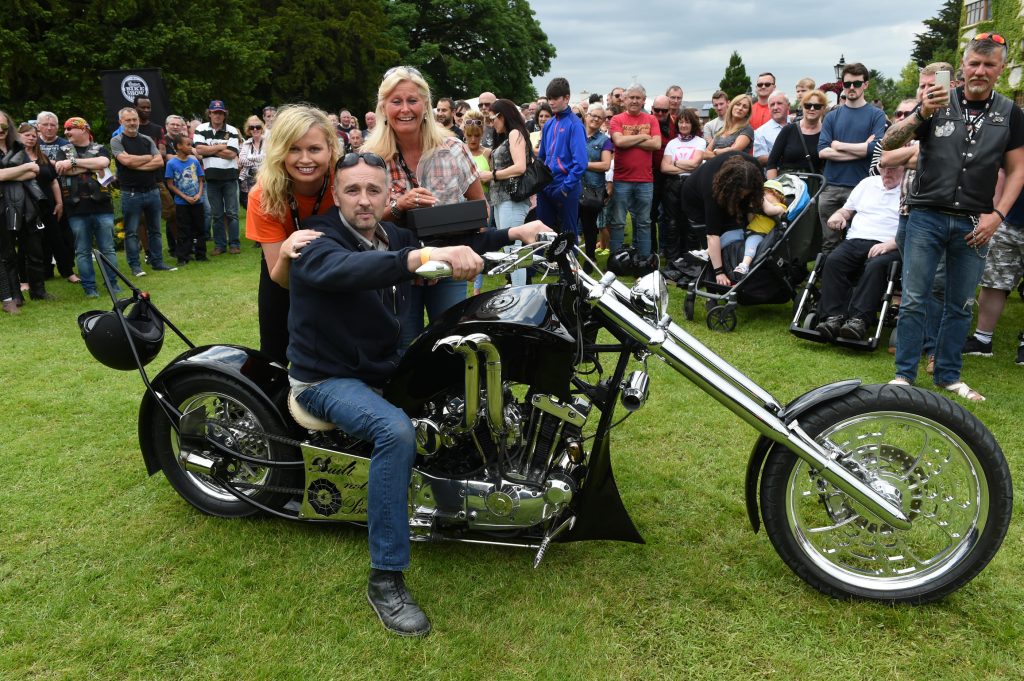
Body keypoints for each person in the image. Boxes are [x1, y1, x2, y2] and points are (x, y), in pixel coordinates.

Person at [288, 153, 551, 636]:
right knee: (394, 433)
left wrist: (514, 233)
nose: (364, 200)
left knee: (472, 369)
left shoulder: (397, 235)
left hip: (383, 366)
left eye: (373, 190)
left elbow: (458, 243)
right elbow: (348, 270)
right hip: (326, 379)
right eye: (352, 190)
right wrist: (421, 260)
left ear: (389, 193)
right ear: (337, 195)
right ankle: (385, 577)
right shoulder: (316, 239)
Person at [883, 32, 1024, 401]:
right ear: (962, 67)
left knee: (961, 304)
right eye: (974, 63)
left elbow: (1018, 169)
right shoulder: (937, 102)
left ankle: (948, 375)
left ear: (1000, 68)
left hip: (975, 221)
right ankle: (904, 376)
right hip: (926, 215)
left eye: (988, 65)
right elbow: (889, 143)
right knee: (914, 298)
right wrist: (921, 112)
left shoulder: (1010, 112)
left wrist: (999, 215)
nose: (980, 71)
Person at [362, 66, 522, 347]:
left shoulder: (452, 148)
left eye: (412, 100)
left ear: (425, 104)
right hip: (395, 270)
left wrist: (453, 226)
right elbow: (360, 222)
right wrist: (399, 207)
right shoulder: (370, 157)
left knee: (453, 345)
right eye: (396, 101)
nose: (405, 109)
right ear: (383, 106)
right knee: (403, 347)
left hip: (447, 266)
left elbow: (480, 207)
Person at [245, 105, 342, 365]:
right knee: (275, 354)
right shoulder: (263, 195)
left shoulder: (345, 183)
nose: (305, 159)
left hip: (339, 269)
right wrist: (289, 255)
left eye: (314, 149)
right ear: (279, 152)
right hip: (283, 272)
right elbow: (281, 276)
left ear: (330, 149)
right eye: (294, 149)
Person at [814, 166, 904, 341]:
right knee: (833, 261)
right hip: (856, 239)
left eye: (893, 169)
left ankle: (859, 320)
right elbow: (847, 210)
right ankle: (833, 318)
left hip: (889, 243)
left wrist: (892, 243)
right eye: (883, 168)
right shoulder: (867, 183)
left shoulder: (909, 189)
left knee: (876, 265)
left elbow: (914, 227)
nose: (887, 173)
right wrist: (838, 215)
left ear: (904, 168)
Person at [817, 63, 888, 255]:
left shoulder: (876, 114)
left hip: (861, 186)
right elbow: (823, 151)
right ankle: (826, 281)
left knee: (856, 241)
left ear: (865, 85)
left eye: (857, 83)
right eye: (847, 84)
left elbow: (877, 149)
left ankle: (855, 284)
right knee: (828, 242)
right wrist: (862, 148)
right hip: (830, 186)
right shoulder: (832, 116)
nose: (851, 88)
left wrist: (839, 145)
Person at [53, 117, 120, 299]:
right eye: (65, 129)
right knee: (82, 251)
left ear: (83, 130)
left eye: (70, 129)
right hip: (76, 209)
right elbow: (62, 170)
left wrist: (73, 163)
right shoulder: (62, 151)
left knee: (108, 249)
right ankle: (89, 288)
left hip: (102, 207)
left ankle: (112, 284)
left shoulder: (100, 149)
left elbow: (103, 164)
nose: (66, 133)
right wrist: (91, 166)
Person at [680, 151, 765, 287]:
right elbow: (712, 235)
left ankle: (736, 274)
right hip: (696, 202)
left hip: (728, 193)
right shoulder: (712, 189)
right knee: (714, 238)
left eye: (746, 193)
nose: (743, 196)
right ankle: (712, 283)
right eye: (740, 193)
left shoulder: (754, 170)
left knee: (737, 233)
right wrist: (719, 272)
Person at [962, 186, 1024, 361]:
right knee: (993, 282)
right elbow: (1004, 172)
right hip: (1008, 219)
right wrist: (993, 214)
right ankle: (982, 340)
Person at [111, 106, 172, 277]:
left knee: (155, 230)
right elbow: (126, 161)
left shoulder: (147, 140)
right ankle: (135, 267)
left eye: (134, 119)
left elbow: (159, 161)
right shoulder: (117, 141)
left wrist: (135, 163)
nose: (132, 123)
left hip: (152, 190)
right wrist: (147, 159)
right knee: (131, 232)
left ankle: (157, 262)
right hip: (131, 193)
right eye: (128, 120)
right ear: (121, 122)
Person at [0, 113, 49, 311]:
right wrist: (25, 167)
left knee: (35, 248)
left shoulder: (15, 146)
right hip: (2, 205)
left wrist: (14, 172)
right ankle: (14, 296)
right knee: (7, 253)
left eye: (3, 126)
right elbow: (27, 169)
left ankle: (39, 290)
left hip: (26, 204)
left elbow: (34, 171)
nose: (1, 131)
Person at [609, 83, 661, 257]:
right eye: (631, 97)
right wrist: (643, 136)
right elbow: (619, 142)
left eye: (638, 98)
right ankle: (616, 259)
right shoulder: (617, 120)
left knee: (644, 222)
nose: (634, 101)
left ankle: (644, 259)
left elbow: (656, 144)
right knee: (618, 221)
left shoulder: (651, 119)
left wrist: (629, 139)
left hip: (645, 180)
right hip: (622, 179)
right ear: (624, 100)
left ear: (644, 100)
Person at [18, 123, 70, 293]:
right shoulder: (14, 158)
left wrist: (59, 202)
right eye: (27, 135)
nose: (31, 138)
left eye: (34, 135)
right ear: (18, 136)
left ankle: (67, 272)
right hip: (26, 207)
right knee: (26, 244)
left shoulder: (43, 157)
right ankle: (24, 280)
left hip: (48, 206)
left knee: (57, 239)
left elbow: (53, 181)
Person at [536, 77, 588, 238]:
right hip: (546, 187)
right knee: (542, 234)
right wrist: (538, 183)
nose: (551, 102)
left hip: (565, 187)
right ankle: (540, 263)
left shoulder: (575, 125)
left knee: (568, 235)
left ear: (566, 98)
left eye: (555, 98)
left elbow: (581, 163)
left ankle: (570, 264)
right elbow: (541, 157)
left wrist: (565, 188)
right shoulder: (549, 124)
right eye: (549, 98)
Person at [488, 98, 532, 285]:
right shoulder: (508, 135)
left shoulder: (515, 133)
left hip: (511, 199)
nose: (491, 124)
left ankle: (519, 293)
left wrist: (492, 175)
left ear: (502, 116)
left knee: (514, 251)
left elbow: (520, 167)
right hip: (501, 199)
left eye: (493, 119)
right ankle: (516, 290)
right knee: (510, 250)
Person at [193, 99, 242, 255]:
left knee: (232, 213)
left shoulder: (233, 130)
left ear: (224, 114)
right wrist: (221, 146)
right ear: (210, 113)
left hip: (230, 177)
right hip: (212, 177)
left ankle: (234, 244)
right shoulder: (201, 129)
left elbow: (232, 154)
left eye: (220, 113)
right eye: (215, 112)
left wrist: (210, 149)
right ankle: (220, 245)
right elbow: (199, 150)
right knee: (217, 214)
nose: (218, 115)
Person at [659, 107, 706, 263]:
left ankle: (690, 257)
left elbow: (695, 164)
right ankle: (673, 258)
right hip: (673, 184)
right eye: (681, 122)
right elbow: (664, 167)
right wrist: (685, 166)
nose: (684, 125)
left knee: (691, 222)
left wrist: (676, 162)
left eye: (687, 122)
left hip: (693, 185)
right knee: (672, 222)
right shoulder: (672, 143)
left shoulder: (700, 142)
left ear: (693, 124)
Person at [164, 133, 206, 266]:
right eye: (187, 144)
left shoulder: (194, 161)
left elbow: (200, 180)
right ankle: (183, 256)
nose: (190, 147)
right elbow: (170, 184)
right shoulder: (171, 163)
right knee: (184, 229)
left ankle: (201, 254)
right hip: (182, 202)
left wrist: (199, 194)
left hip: (197, 201)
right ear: (178, 146)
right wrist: (185, 197)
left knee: (200, 228)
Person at [579, 104, 613, 268]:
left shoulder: (604, 141)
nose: (595, 119)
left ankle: (590, 258)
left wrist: (582, 164)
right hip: (573, 186)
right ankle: (568, 257)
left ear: (603, 121)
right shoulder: (575, 135)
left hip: (592, 190)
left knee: (589, 226)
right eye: (593, 115)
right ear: (586, 116)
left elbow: (606, 164)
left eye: (599, 117)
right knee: (570, 225)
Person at [733, 180, 788, 277]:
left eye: (764, 193)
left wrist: (760, 197)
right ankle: (709, 252)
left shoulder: (781, 208)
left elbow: (770, 211)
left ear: (775, 194)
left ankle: (744, 265)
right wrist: (752, 208)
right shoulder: (761, 207)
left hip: (760, 235)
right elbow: (750, 220)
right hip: (748, 231)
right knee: (728, 235)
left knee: (751, 243)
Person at [767, 89, 826, 178]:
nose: (812, 109)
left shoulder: (826, 133)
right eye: (808, 105)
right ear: (802, 107)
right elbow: (772, 163)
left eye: (817, 106)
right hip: (787, 185)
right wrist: (774, 188)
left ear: (823, 109)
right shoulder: (789, 130)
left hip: (814, 186)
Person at [753, 92, 791, 166]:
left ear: (788, 106)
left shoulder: (799, 125)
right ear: (769, 108)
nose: (775, 107)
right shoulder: (761, 132)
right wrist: (787, 157)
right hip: (776, 175)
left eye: (779, 103)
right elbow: (760, 159)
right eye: (772, 104)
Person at [239, 115, 266, 209]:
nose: (255, 129)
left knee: (263, 206)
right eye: (252, 127)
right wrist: (257, 161)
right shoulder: (246, 143)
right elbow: (241, 159)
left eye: (258, 127)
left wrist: (251, 158)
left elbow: (267, 158)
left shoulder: (268, 142)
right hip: (247, 180)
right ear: (249, 130)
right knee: (250, 207)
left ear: (262, 128)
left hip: (264, 179)